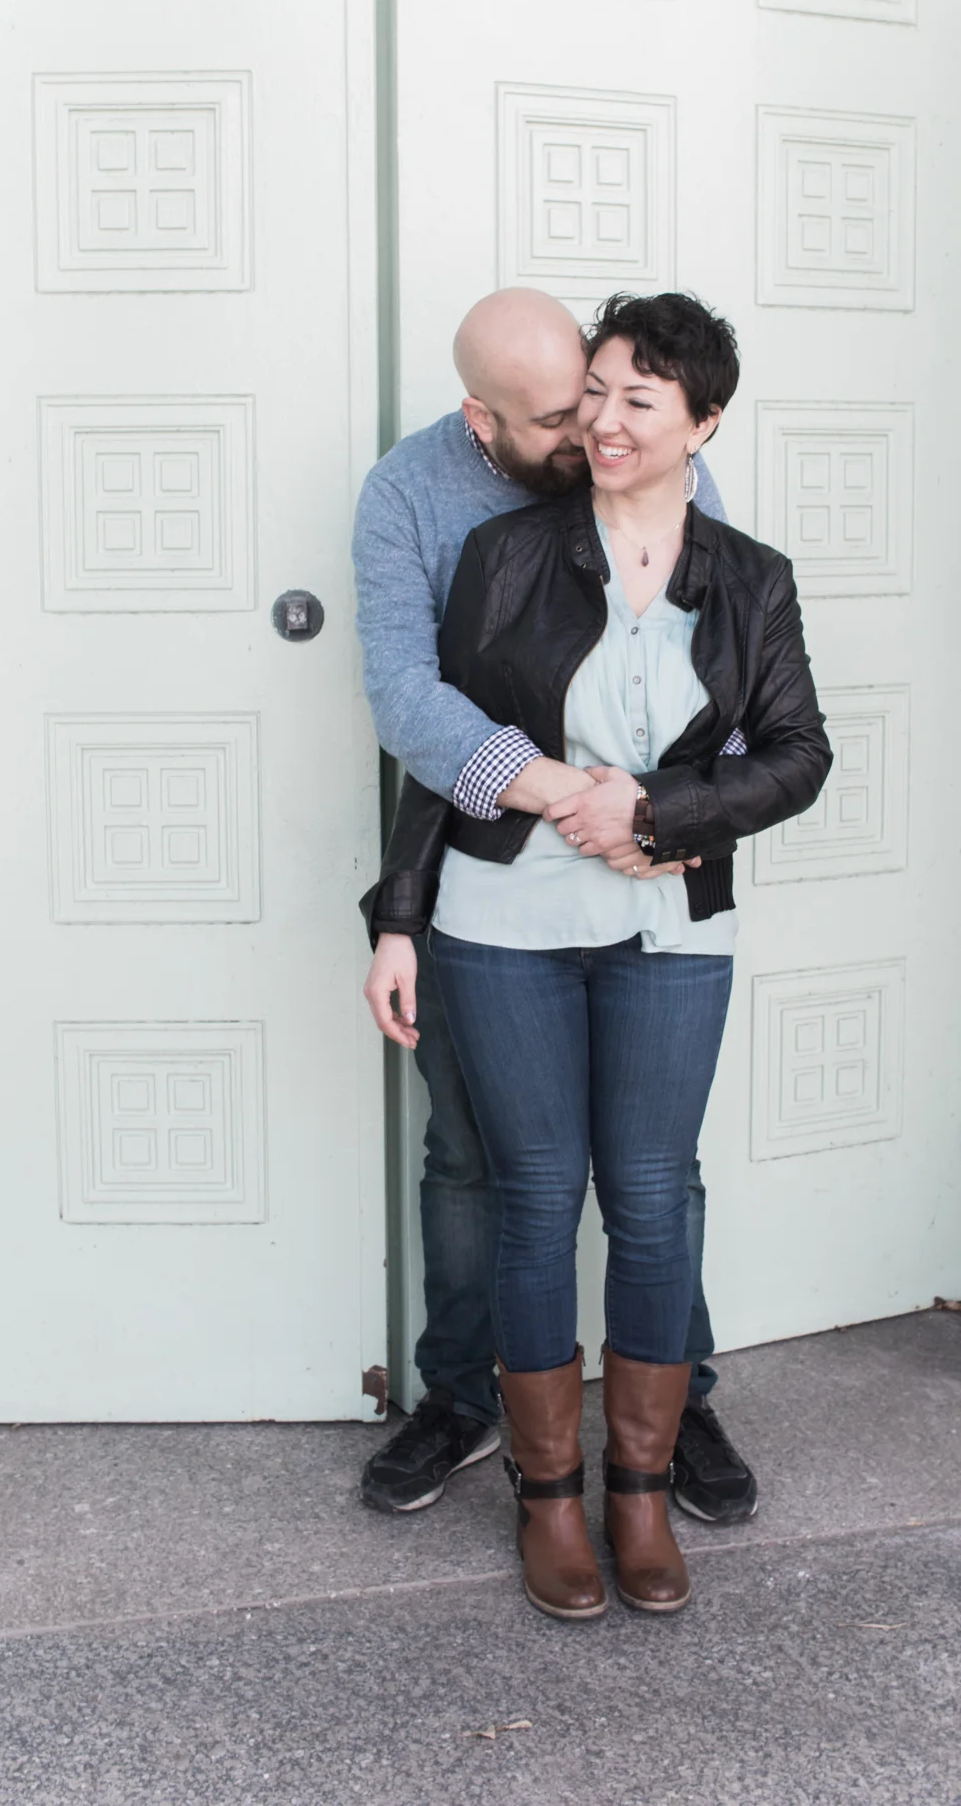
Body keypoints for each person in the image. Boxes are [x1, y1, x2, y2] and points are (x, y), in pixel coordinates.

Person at [360, 292, 831, 1618]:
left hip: (670, 924)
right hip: (502, 918)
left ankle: (648, 1468)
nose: (600, 428)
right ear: (492, 419)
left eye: (628, 398)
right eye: (580, 406)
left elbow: (781, 746)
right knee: (517, 1182)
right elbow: (424, 727)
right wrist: (410, 906)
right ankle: (535, 1478)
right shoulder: (476, 538)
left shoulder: (740, 561)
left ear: (696, 422)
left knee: (653, 1189)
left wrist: (663, 815)